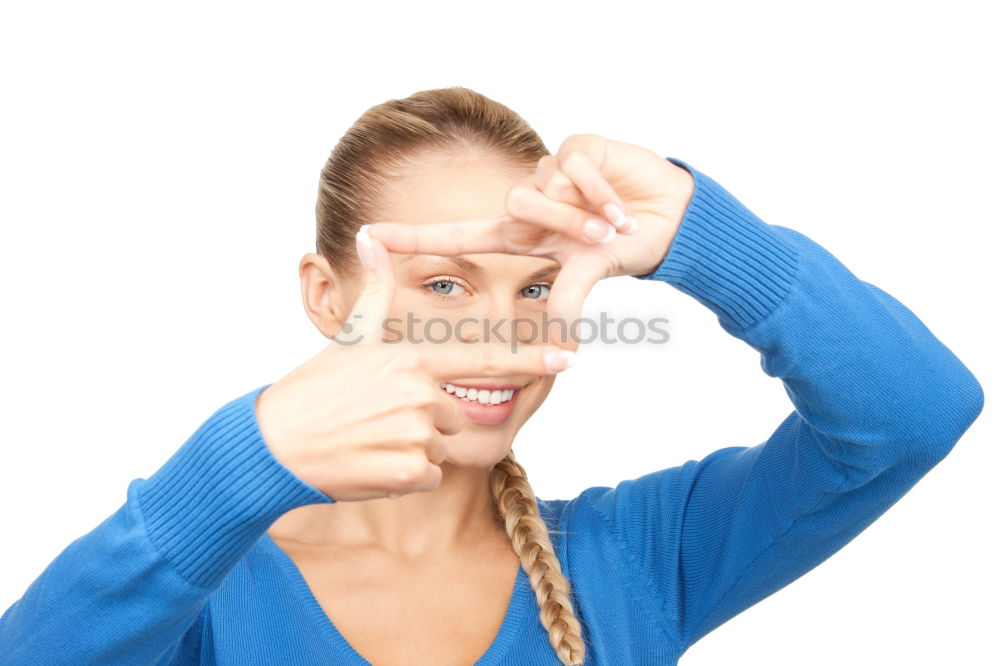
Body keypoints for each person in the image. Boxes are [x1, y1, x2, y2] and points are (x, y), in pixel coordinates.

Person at [0, 86, 984, 666]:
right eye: (442, 282)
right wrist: (242, 458)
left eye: (537, 287)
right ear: (324, 294)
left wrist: (702, 237)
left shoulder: (633, 558)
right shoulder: (197, 598)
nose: (502, 339)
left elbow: (911, 413)